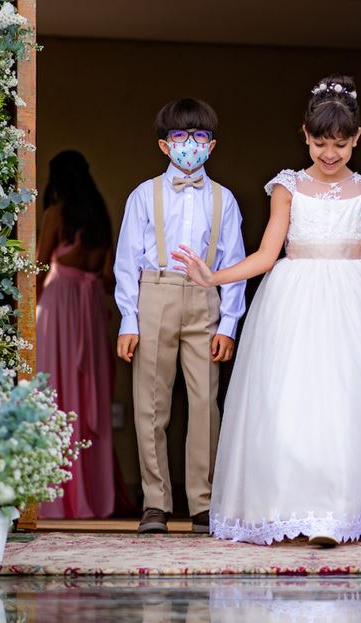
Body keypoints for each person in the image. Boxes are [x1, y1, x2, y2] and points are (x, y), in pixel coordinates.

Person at [172, 75, 361, 546]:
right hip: (293, 299)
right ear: (304, 135)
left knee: (350, 403)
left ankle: (340, 514)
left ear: (357, 138)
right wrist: (213, 277)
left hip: (355, 300)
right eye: (319, 143)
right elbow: (266, 254)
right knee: (292, 404)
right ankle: (296, 510)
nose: (329, 154)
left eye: (339, 143)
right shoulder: (287, 186)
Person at [114, 99, 247, 534]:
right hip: (155, 294)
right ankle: (155, 502)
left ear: (212, 146)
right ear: (164, 145)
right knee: (150, 403)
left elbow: (233, 262)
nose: (190, 145)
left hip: (205, 299)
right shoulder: (143, 194)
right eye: (180, 137)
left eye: (199, 137)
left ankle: (203, 502)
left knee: (205, 402)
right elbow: (126, 262)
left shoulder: (223, 199)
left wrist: (229, 324)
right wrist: (128, 320)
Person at [36, 150, 116, 519]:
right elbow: (108, 275)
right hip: (92, 309)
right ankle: (95, 496)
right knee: (88, 396)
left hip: (61, 307)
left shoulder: (58, 213)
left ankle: (62, 497)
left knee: (56, 391)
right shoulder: (100, 217)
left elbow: (37, 264)